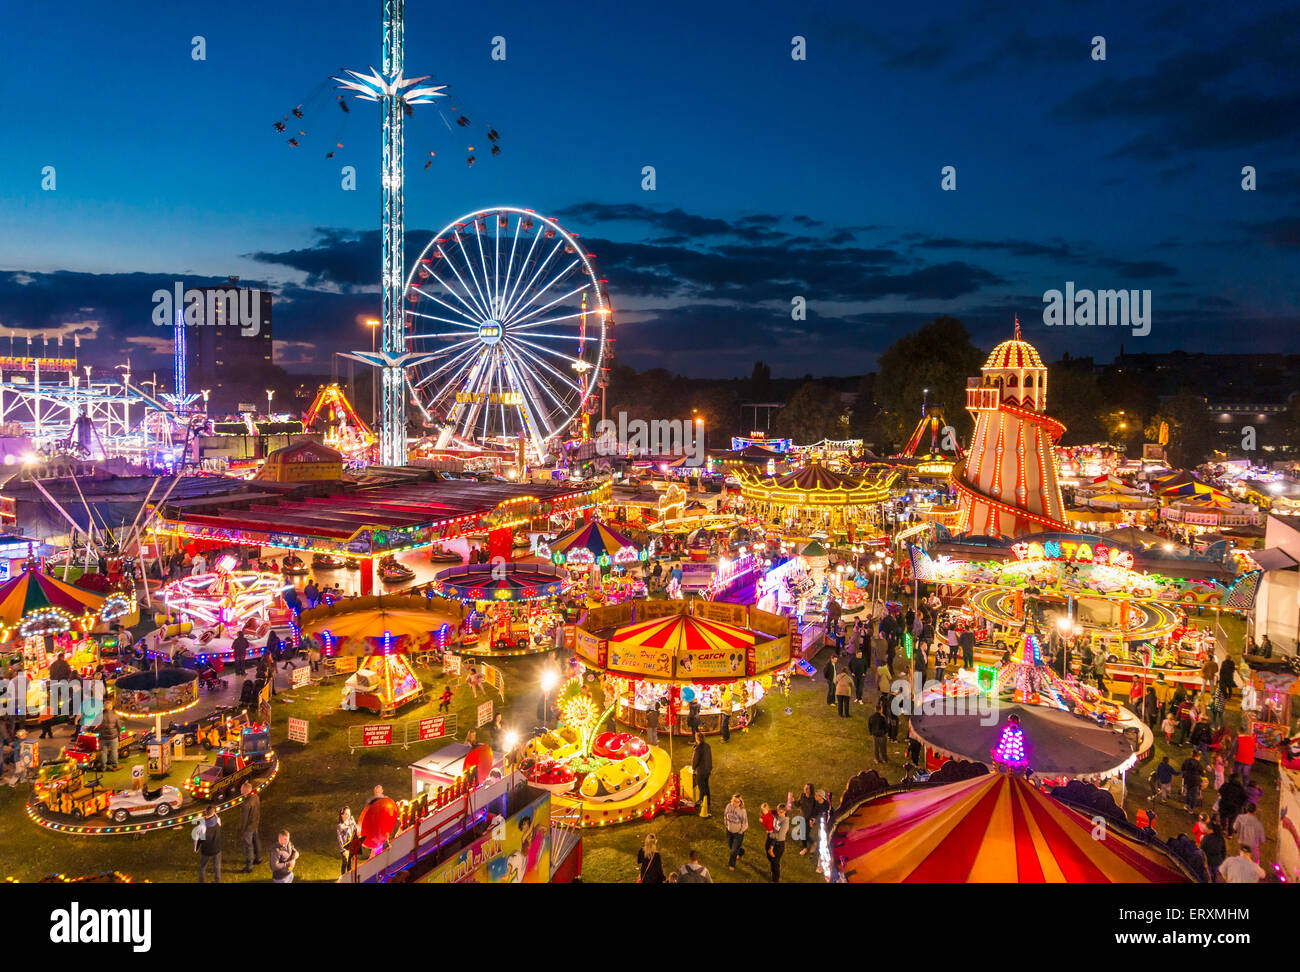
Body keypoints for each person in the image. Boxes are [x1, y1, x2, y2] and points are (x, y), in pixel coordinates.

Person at [238, 781, 262, 873]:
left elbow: (244, 819)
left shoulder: (246, 804)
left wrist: (242, 830)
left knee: (248, 846)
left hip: (248, 828)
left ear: (244, 790)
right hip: (255, 824)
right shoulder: (256, 797)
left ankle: (249, 866)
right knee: (256, 841)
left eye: (241, 789)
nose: (240, 790)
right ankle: (258, 858)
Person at [197, 806, 222, 883]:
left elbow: (199, 839)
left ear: (205, 813)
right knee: (217, 866)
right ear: (213, 813)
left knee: (202, 867)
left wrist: (196, 848)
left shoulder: (202, 826)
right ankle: (217, 881)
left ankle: (201, 881)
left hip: (206, 850)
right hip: (216, 848)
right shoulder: (217, 821)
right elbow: (217, 819)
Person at [724, 793, 748, 870]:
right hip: (729, 831)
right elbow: (725, 816)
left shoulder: (742, 811)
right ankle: (741, 852)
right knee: (731, 846)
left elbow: (745, 824)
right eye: (734, 801)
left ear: (740, 802)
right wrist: (726, 824)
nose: (735, 803)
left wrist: (741, 831)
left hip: (738, 834)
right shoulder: (728, 806)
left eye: (737, 802)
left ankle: (731, 865)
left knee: (733, 851)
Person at [767, 803, 789, 883]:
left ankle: (775, 879)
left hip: (779, 844)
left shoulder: (785, 821)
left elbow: (780, 836)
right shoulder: (775, 815)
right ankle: (774, 869)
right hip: (770, 840)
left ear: (785, 812)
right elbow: (767, 812)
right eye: (778, 811)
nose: (779, 813)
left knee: (774, 862)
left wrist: (770, 834)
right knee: (770, 858)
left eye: (781, 812)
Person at [691, 732, 712, 818]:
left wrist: (693, 768)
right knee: (706, 785)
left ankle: (702, 801)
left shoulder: (698, 749)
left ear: (697, 739)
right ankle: (708, 801)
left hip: (701, 771)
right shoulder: (707, 746)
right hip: (707, 769)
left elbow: (695, 761)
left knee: (701, 787)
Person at [97, 703, 122, 771]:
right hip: (113, 736)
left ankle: (103, 767)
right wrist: (119, 733)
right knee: (114, 751)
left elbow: (96, 725)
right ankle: (114, 765)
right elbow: (119, 726)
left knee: (103, 752)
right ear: (111, 707)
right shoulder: (115, 715)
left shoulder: (100, 715)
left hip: (103, 737)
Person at [337, 807, 358, 875]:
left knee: (349, 863)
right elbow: (339, 839)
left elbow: (355, 829)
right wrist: (343, 850)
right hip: (344, 847)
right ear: (342, 815)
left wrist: (354, 824)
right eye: (346, 814)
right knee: (345, 862)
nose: (348, 815)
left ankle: (349, 877)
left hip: (351, 846)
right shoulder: (340, 826)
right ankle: (343, 876)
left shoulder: (351, 821)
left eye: (349, 813)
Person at [868, 700, 889, 764]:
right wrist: (885, 732)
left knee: (876, 748)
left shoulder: (871, 717)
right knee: (883, 748)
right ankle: (884, 759)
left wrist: (871, 732)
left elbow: (869, 726)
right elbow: (886, 726)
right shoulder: (882, 717)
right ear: (880, 710)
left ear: (875, 709)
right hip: (881, 735)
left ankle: (877, 759)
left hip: (874, 734)